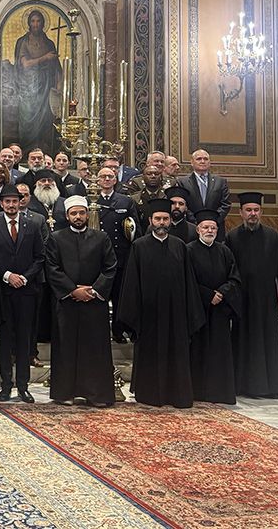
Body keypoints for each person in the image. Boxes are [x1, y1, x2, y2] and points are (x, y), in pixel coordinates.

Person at [118, 198, 204, 408]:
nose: (162, 223)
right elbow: (131, 283)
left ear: (170, 221)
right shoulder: (139, 246)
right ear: (150, 220)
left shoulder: (179, 246)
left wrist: (190, 313)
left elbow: (189, 282)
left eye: (165, 219)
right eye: (158, 219)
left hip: (176, 315)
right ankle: (149, 394)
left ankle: (177, 394)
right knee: (150, 353)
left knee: (176, 353)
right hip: (149, 315)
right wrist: (133, 313)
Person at [46, 196, 118, 406]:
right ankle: (65, 393)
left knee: (94, 349)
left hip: (94, 303)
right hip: (68, 303)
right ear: (67, 216)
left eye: (81, 213)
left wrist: (94, 290)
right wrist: (72, 290)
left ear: (87, 214)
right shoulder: (56, 238)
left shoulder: (101, 238)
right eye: (73, 213)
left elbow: (110, 267)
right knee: (66, 348)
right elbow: (52, 268)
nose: (78, 217)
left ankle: (95, 395)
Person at [226, 192, 278, 399]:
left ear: (261, 212)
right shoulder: (232, 238)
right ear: (241, 213)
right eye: (248, 210)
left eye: (256, 210)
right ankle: (243, 386)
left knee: (269, 344)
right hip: (243, 300)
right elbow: (228, 270)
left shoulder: (273, 237)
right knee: (243, 342)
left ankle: (270, 387)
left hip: (267, 301)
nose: (253, 214)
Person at [0, 184, 44, 403]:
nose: (11, 205)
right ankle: (5, 385)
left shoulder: (33, 226)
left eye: (14, 201)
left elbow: (40, 257)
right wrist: (8, 275)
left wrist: (25, 277)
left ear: (20, 203)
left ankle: (23, 386)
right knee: (5, 341)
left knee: (24, 340)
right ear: (1, 204)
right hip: (3, 292)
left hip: (27, 292)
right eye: (7, 201)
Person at [187, 210, 241, 405]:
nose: (209, 231)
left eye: (213, 228)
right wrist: (208, 295)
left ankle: (220, 392)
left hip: (220, 311)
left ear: (217, 231)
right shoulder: (188, 251)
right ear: (198, 230)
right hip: (198, 310)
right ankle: (198, 392)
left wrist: (222, 293)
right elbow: (186, 280)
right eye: (205, 227)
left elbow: (234, 278)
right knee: (199, 351)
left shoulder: (225, 251)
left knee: (219, 352)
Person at [96, 165, 138, 343]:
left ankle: (118, 331)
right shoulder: (91, 199)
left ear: (115, 180)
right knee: (100, 295)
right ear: (97, 180)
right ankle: (100, 332)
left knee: (119, 295)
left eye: (110, 176)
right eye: (103, 176)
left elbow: (134, 229)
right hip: (98, 256)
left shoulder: (125, 201)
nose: (106, 179)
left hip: (120, 255)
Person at [14, 9, 61, 154]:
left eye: (38, 21)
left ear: (43, 23)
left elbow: (57, 69)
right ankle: (26, 150)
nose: (35, 24)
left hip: (46, 86)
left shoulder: (49, 43)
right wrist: (45, 58)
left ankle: (44, 150)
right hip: (28, 87)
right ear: (29, 23)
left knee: (46, 118)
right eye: (33, 21)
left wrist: (58, 87)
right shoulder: (23, 42)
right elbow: (25, 64)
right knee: (28, 117)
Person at [177, 149, 230, 240]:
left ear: (209, 162)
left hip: (215, 229)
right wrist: (197, 221)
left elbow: (226, 204)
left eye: (205, 159)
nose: (202, 161)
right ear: (192, 162)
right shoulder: (182, 182)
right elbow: (183, 205)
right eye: (199, 159)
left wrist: (212, 221)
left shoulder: (220, 182)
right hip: (191, 228)